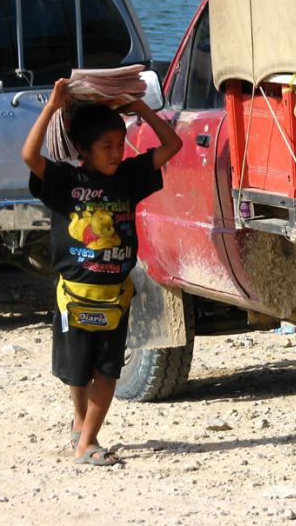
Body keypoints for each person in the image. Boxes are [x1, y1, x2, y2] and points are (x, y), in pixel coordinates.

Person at [22, 79, 182, 466]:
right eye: (106, 147)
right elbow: (29, 155)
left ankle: (87, 441)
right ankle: (81, 423)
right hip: (74, 296)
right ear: (83, 150)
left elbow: (173, 145)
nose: (115, 153)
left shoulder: (129, 176)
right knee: (77, 375)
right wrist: (53, 106)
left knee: (107, 373)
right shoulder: (66, 181)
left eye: (119, 144)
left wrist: (138, 107)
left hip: (115, 297)